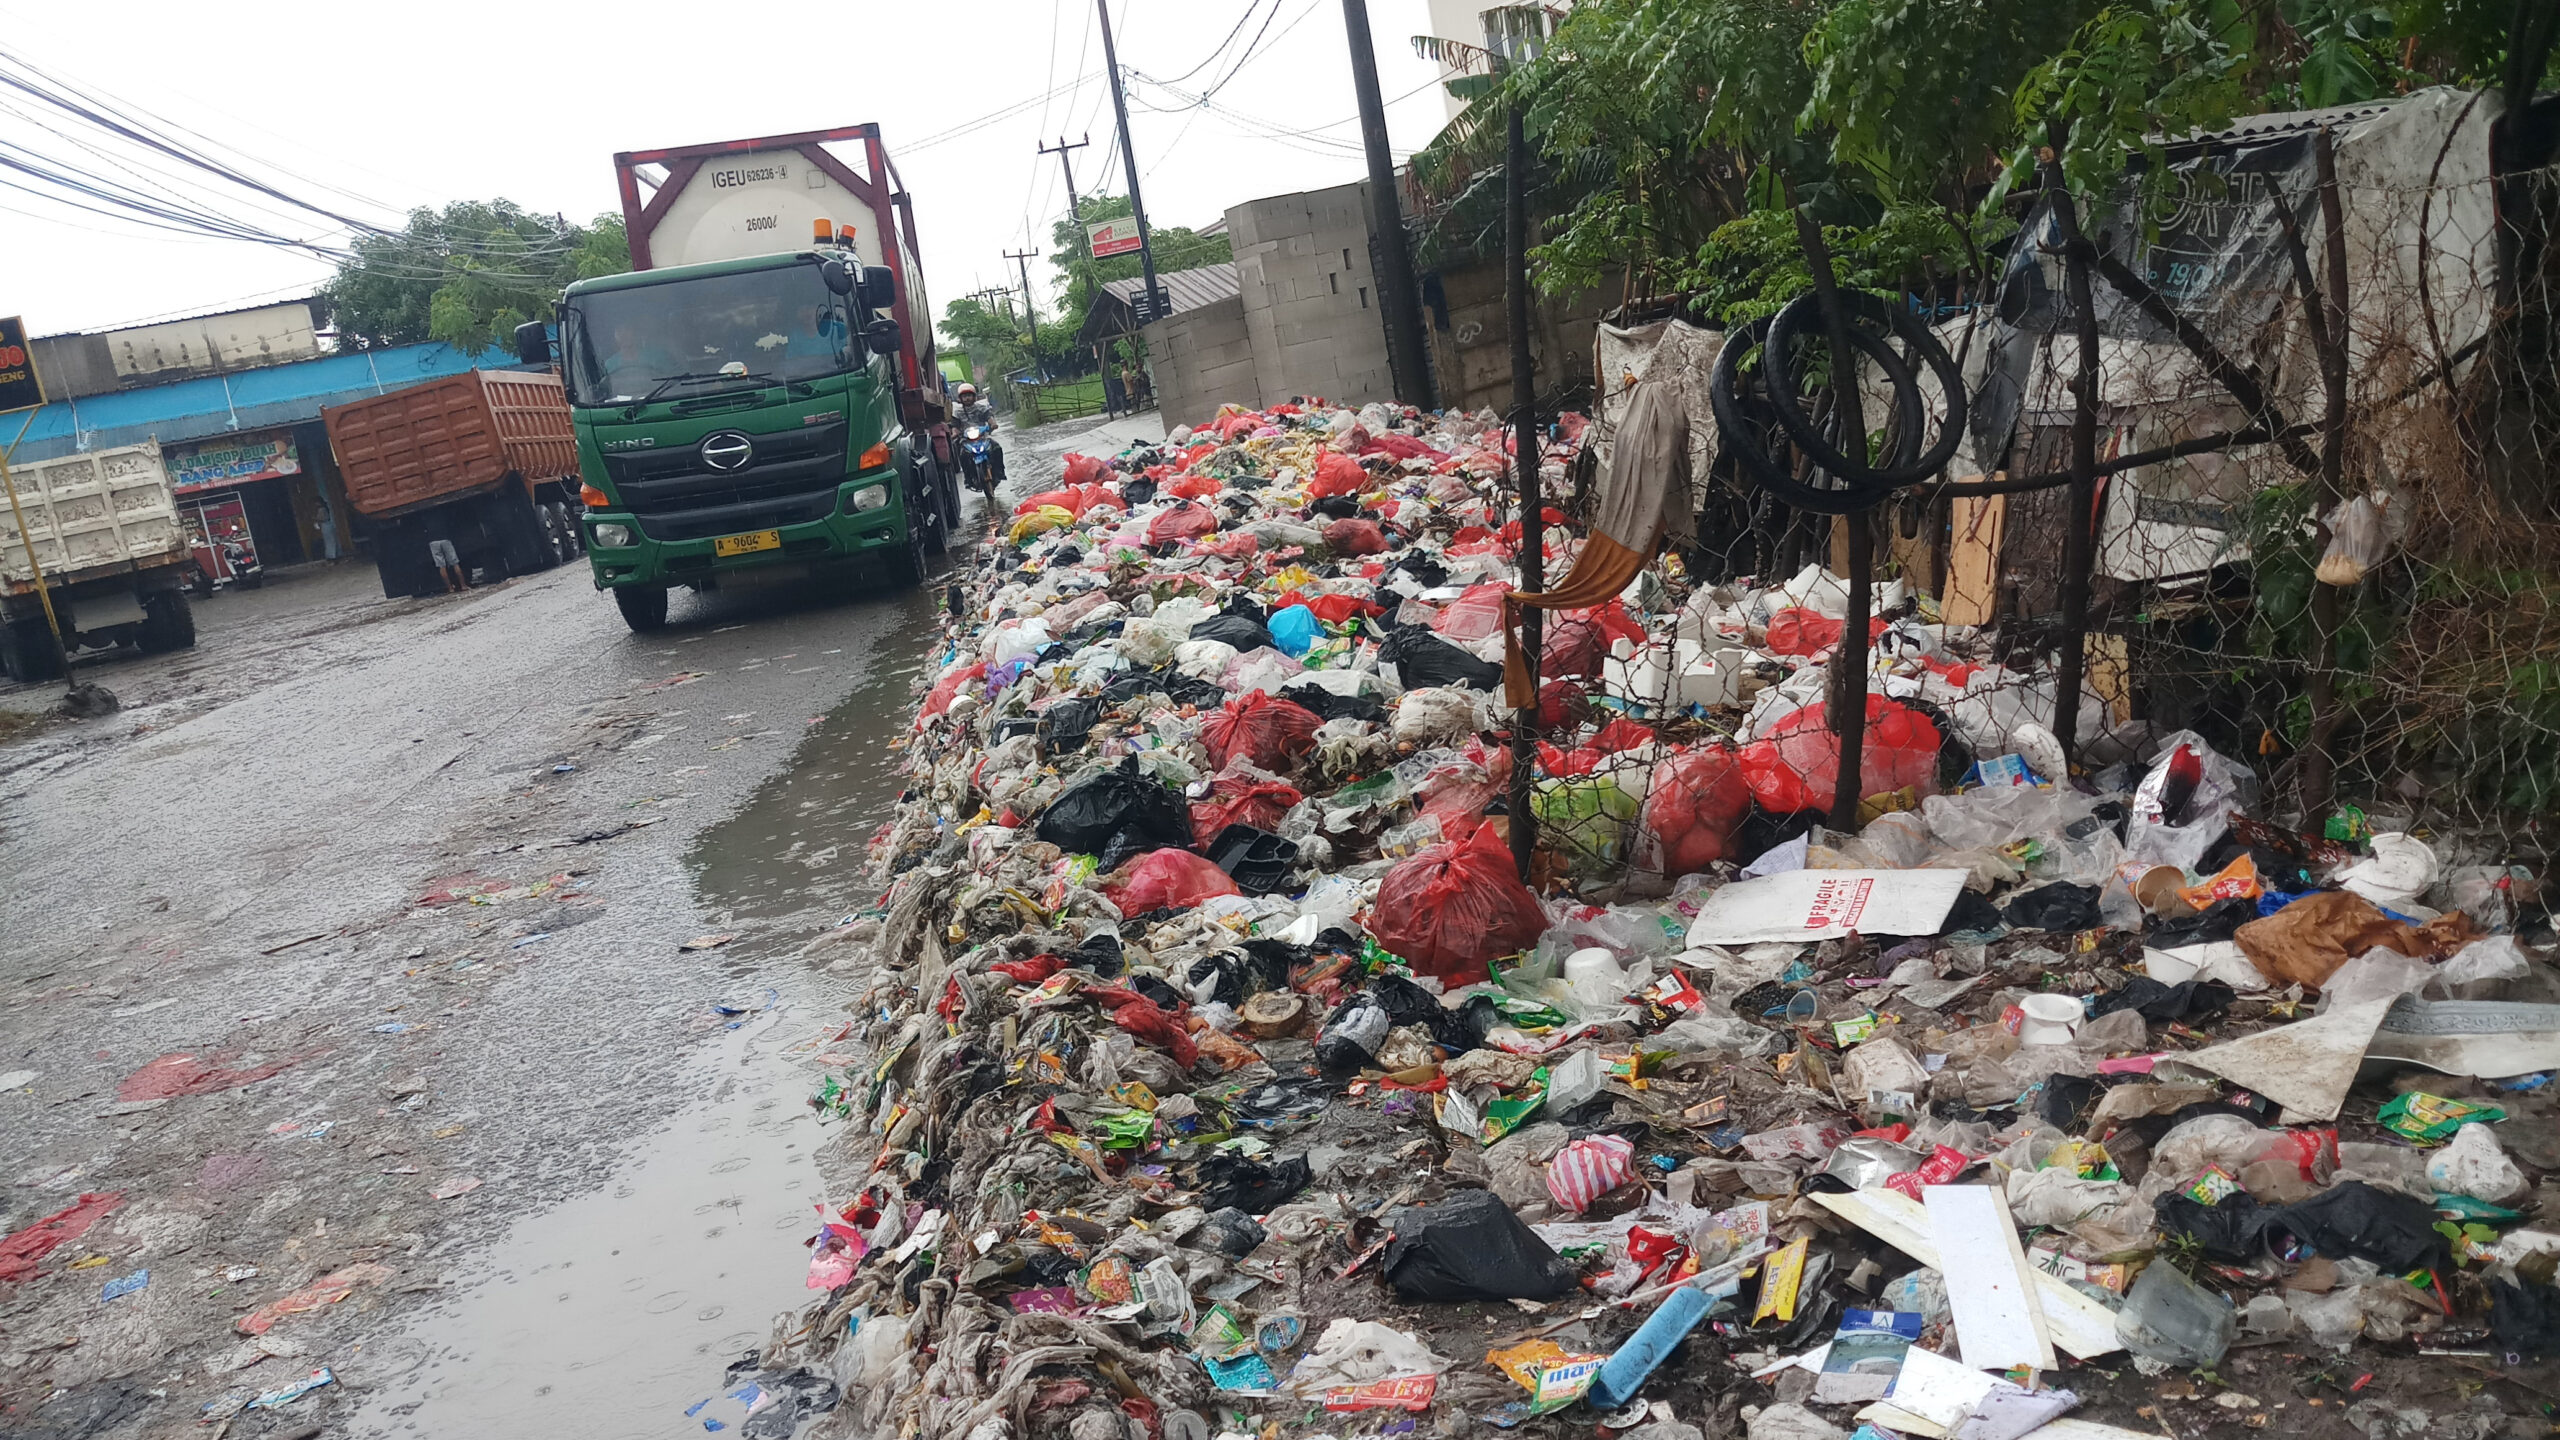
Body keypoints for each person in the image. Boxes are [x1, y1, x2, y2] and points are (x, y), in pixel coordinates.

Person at [954, 382, 1004, 482]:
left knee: (997, 447)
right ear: (960, 398)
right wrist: (955, 433)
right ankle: (968, 478)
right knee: (962, 455)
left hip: (983, 437)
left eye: (969, 396)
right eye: (964, 396)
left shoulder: (981, 408)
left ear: (974, 397)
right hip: (966, 440)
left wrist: (993, 424)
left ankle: (1000, 471)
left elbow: (989, 417)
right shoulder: (957, 412)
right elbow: (955, 425)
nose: (967, 398)